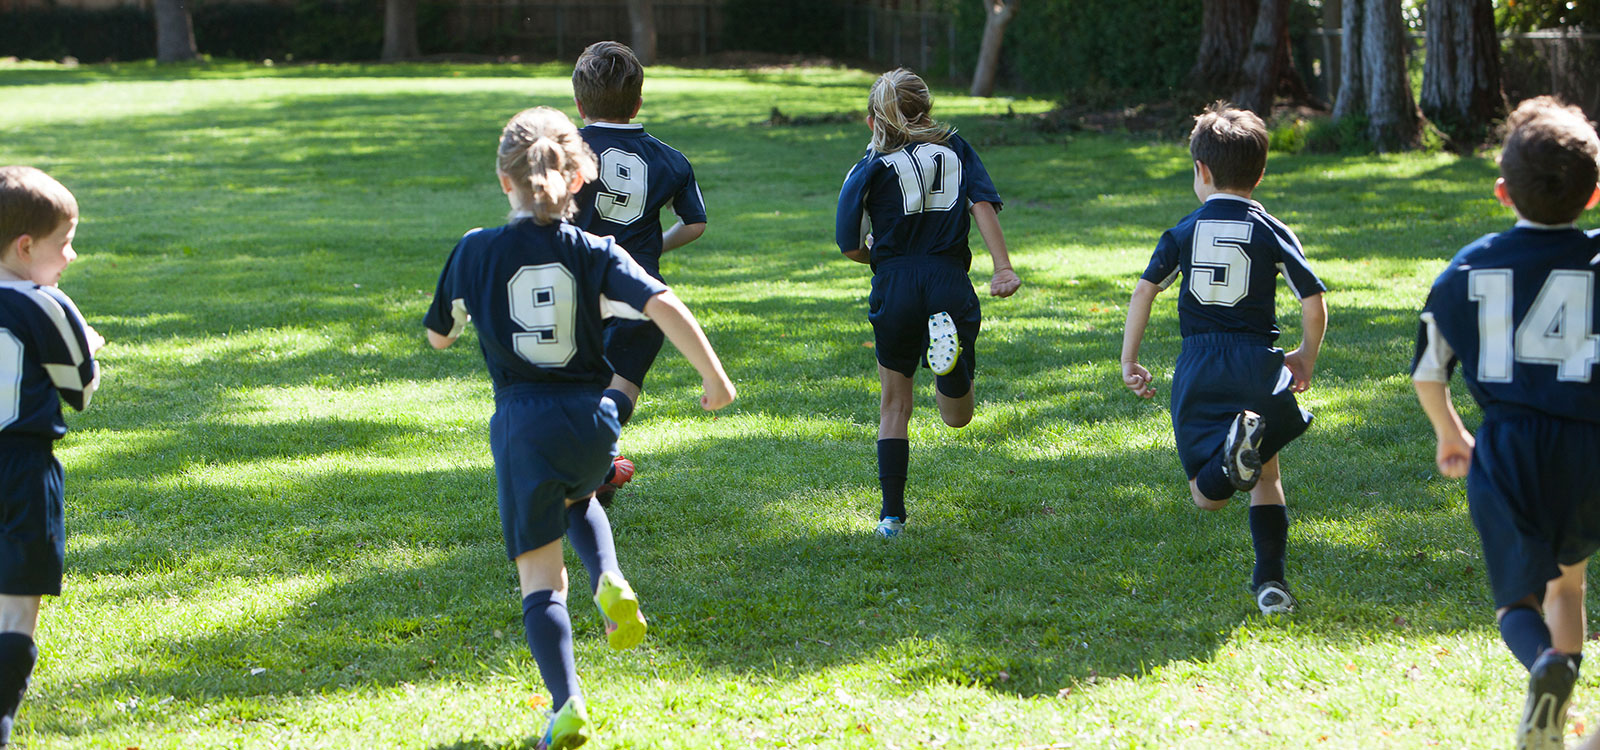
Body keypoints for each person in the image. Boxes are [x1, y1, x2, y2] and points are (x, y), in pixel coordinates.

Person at [423, 107, 734, 750]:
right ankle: (610, 576)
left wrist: (459, 322)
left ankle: (567, 705)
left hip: (522, 423)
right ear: (581, 177)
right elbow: (662, 303)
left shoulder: (475, 250)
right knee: (582, 494)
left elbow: (439, 335)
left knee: (541, 582)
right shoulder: (597, 252)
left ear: (504, 179)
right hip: (592, 420)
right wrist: (714, 378)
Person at [1411, 96, 1600, 750]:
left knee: (1517, 602)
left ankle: (1543, 666)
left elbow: (1427, 372)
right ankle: (1557, 705)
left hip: (1510, 446)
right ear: (1594, 194)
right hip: (1589, 443)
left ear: (1501, 192)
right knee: (1568, 585)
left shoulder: (1467, 268)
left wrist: (1450, 433)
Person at [1118, 103, 1327, 615]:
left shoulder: (1184, 231)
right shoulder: (1274, 230)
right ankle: (1271, 582)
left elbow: (1144, 293)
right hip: (1259, 363)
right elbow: (1314, 301)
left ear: (1202, 171)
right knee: (1267, 475)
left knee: (1206, 495)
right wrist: (1305, 356)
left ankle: (1233, 454)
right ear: (1260, 172)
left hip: (1201, 363)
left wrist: (1130, 359)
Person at [833, 68, 1021, 538]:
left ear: (875, 120)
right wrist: (1002, 267)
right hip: (948, 281)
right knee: (957, 417)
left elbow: (848, 243)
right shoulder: (956, 149)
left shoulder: (869, 166)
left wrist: (877, 253)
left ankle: (891, 517)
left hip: (895, 284)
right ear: (927, 108)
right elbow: (982, 205)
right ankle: (950, 369)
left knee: (894, 405)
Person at [568, 41, 710, 506]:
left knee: (580, 382)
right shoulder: (669, 159)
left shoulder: (563, 151)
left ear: (579, 102)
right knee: (622, 382)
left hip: (575, 286)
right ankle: (599, 459)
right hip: (640, 290)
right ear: (638, 102)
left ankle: (595, 465)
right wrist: (651, 247)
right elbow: (695, 223)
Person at [0, 166, 103, 747]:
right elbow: (80, 390)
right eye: (64, 241)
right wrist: (89, 344)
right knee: (16, 607)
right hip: (21, 466)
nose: (69, 256)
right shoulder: (47, 305)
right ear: (25, 246)